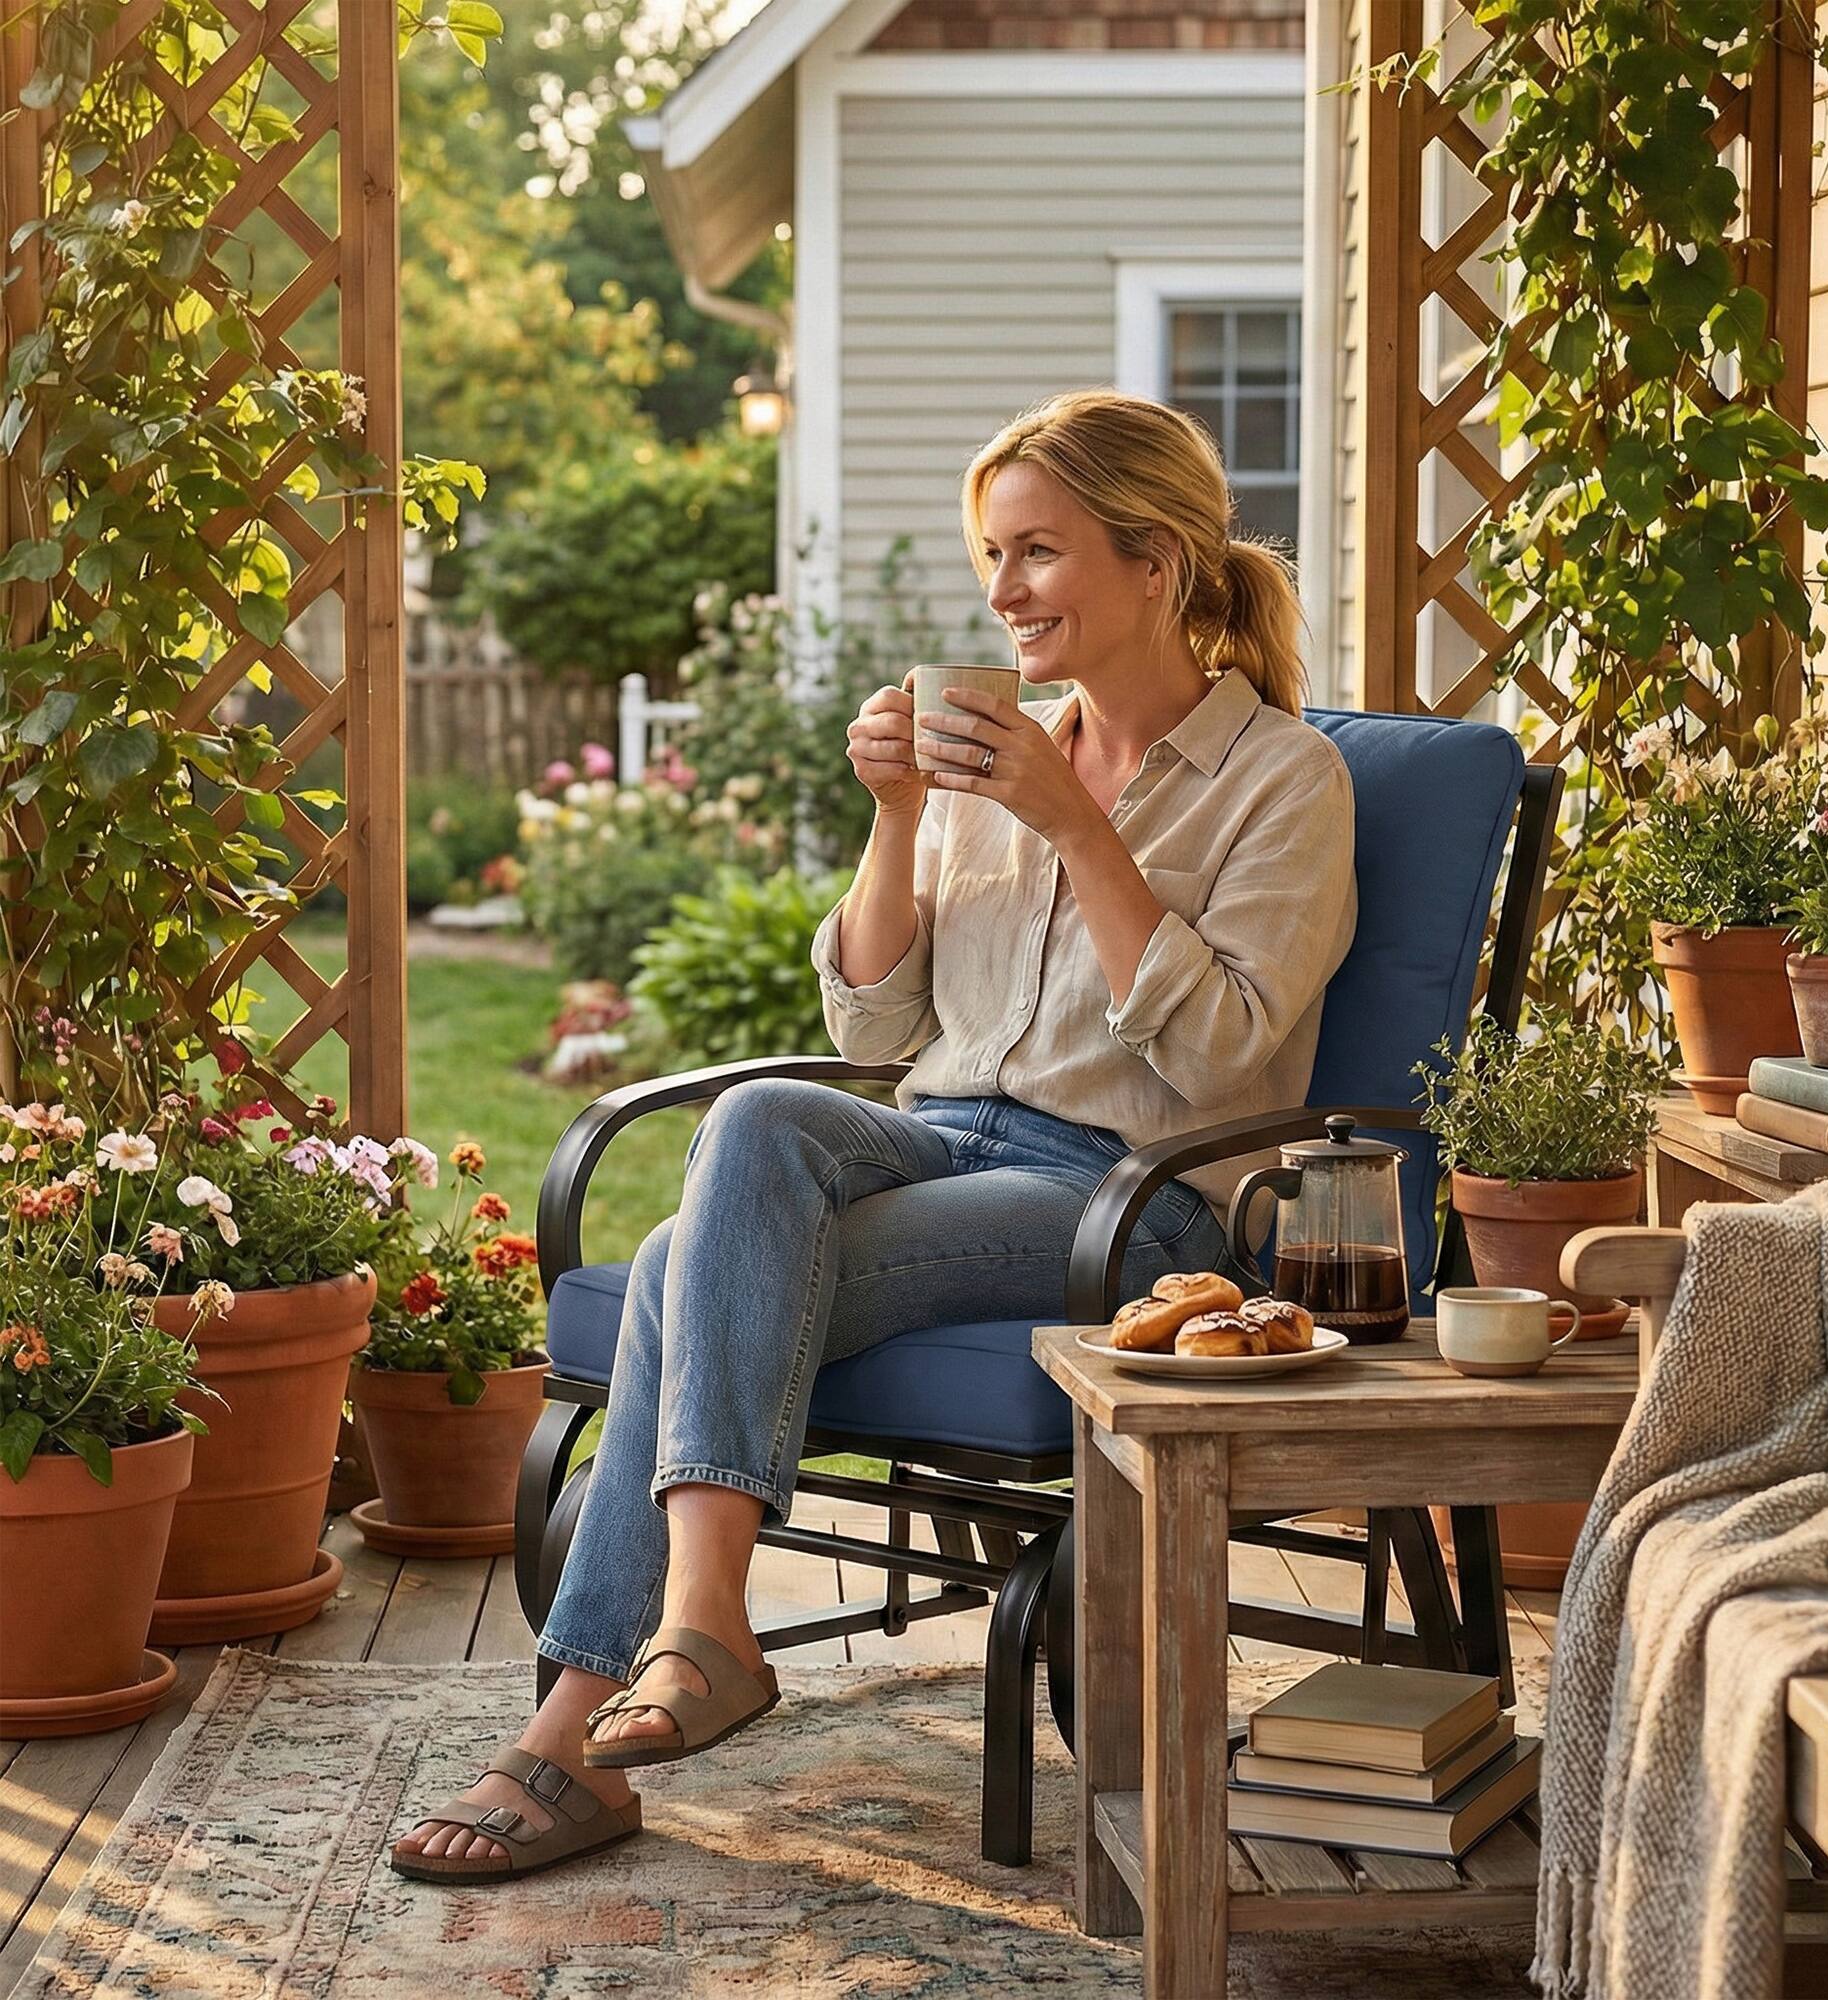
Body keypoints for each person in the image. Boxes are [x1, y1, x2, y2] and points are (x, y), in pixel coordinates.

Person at [390, 389, 1358, 1884]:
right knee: (764, 1116)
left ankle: (572, 1734)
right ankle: (708, 1627)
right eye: (992, 554)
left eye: (1038, 552)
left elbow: (1232, 1055)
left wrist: (1078, 829)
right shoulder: (993, 756)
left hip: (1134, 1202)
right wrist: (899, 815)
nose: (1002, 590)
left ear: (1156, 561)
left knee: (666, 1271)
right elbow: (870, 1036)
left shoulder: (1283, 781)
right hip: (940, 1138)